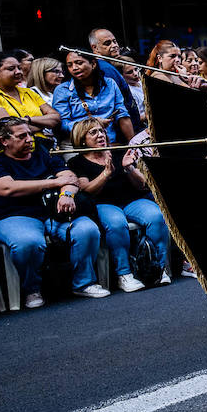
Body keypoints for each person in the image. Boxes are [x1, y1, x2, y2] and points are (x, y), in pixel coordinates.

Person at [0, 117, 109, 305]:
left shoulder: (43, 154)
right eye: (22, 136)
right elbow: (8, 188)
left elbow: (70, 178)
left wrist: (67, 195)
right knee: (28, 241)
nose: (30, 139)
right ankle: (32, 290)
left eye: (30, 134)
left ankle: (83, 283)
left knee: (86, 228)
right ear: (4, 141)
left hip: (51, 213)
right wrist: (54, 183)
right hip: (12, 216)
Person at [65, 117, 171, 291]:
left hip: (131, 200)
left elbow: (142, 184)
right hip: (103, 203)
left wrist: (129, 169)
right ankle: (124, 274)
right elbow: (87, 190)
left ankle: (157, 268)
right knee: (116, 223)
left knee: (156, 216)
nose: (100, 135)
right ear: (82, 139)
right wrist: (106, 173)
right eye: (93, 132)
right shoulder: (77, 162)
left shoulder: (119, 151)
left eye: (102, 131)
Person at [0, 51, 62, 154]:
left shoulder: (29, 92)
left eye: (19, 68)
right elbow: (10, 129)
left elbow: (56, 118)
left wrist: (27, 120)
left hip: (40, 151)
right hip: (7, 157)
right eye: (11, 69)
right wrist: (42, 125)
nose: (18, 72)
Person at [52, 49, 134, 144]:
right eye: (70, 65)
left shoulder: (110, 84)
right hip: (78, 145)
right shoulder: (62, 90)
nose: (74, 68)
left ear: (93, 64)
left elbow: (122, 115)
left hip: (107, 142)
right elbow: (63, 124)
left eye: (79, 63)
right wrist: (92, 125)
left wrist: (132, 145)